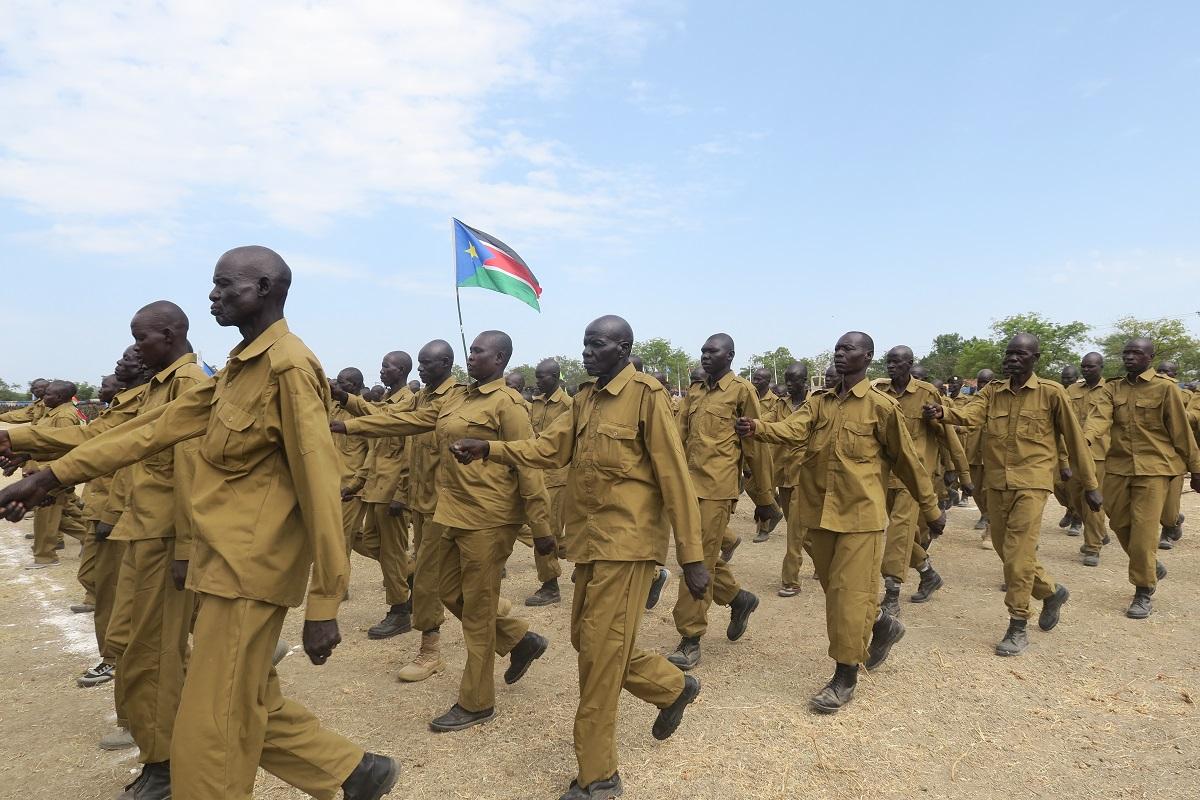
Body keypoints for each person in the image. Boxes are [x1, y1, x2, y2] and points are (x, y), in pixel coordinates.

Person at [0, 246, 398, 800]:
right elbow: (149, 431)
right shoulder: (238, 369)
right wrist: (48, 476)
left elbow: (319, 486)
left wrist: (325, 602)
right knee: (242, 698)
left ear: (264, 288)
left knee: (211, 730)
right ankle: (355, 772)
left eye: (224, 285)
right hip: (221, 567)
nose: (213, 295)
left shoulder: (288, 366)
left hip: (250, 575)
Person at [450, 315, 709, 800]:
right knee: (587, 642)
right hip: (589, 544)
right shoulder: (586, 397)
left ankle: (599, 776)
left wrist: (691, 557)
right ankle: (670, 687)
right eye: (585, 344)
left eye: (597, 344)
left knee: (600, 658)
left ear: (623, 348)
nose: (587, 352)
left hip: (628, 546)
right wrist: (489, 448)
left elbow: (675, 476)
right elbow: (549, 449)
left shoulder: (647, 396)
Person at [332, 330, 553, 733]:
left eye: (479, 352)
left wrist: (541, 528)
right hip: (451, 512)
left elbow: (528, 462)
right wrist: (349, 427)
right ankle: (519, 639)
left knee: (479, 612)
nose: (472, 356)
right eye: (471, 351)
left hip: (489, 518)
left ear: (500, 359)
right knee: (445, 590)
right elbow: (409, 420)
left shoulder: (509, 404)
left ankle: (476, 701)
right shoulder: (459, 399)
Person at [736, 332, 945, 713]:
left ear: (867, 357)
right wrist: (758, 428)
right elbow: (794, 430)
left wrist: (931, 509)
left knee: (848, 598)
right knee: (837, 591)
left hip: (861, 517)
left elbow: (908, 462)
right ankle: (881, 623)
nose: (840, 353)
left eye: (849, 348)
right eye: (837, 348)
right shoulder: (820, 403)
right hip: (820, 514)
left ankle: (844, 674)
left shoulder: (881, 407)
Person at [925, 333, 1099, 657]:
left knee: (1018, 552)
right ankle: (1051, 591)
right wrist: (942, 412)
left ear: (1035, 358)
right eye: (1009, 354)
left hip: (1032, 484)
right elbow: (970, 416)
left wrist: (1090, 485)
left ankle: (1018, 623)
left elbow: (1075, 440)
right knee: (1006, 549)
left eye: (1021, 354)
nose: (1013, 359)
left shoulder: (1051, 393)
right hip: (997, 483)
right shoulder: (992, 392)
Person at [668, 333, 772, 671]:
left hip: (717, 489)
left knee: (696, 560)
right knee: (698, 556)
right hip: (688, 486)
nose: (705, 356)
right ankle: (739, 599)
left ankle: (690, 637)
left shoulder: (742, 391)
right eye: (703, 351)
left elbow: (755, 445)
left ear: (730, 355)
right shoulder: (696, 391)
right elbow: (678, 437)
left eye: (712, 351)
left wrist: (764, 498)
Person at [1084, 339, 1200, 618]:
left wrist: (1196, 468)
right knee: (1118, 522)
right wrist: (1084, 439)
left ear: (1150, 357)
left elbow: (1181, 431)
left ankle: (1143, 589)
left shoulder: (1165, 388)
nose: (1130, 357)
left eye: (1136, 353)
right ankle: (1148, 564)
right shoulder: (1113, 388)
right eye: (1126, 353)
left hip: (1155, 468)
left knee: (1144, 531)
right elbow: (1098, 418)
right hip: (1119, 467)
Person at [873, 346, 971, 615]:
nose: (891, 366)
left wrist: (961, 473)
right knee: (902, 533)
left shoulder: (927, 393)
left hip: (915, 478)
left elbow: (946, 434)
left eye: (897, 362)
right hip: (887, 475)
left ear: (909, 364)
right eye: (888, 361)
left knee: (898, 532)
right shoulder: (879, 392)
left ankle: (892, 592)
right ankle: (928, 573)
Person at [340, 352, 416, 639]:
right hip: (375, 490)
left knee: (392, 552)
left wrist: (401, 494)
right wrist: (356, 485)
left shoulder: (408, 403)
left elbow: (409, 454)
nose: (382, 370)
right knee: (373, 543)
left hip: (392, 492)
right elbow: (374, 452)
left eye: (387, 366)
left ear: (402, 370)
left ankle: (399, 611)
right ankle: (412, 571)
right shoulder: (385, 401)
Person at [523, 358, 572, 606]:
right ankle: (586, 559)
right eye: (536, 376)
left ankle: (550, 586)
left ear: (555, 377)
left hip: (556, 477)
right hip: (535, 473)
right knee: (548, 532)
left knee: (545, 530)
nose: (537, 381)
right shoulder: (535, 403)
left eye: (542, 376)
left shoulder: (568, 405)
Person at [1068, 354, 1111, 566]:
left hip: (1098, 455)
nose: (1086, 370)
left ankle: (1093, 546)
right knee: (1075, 501)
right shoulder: (1072, 390)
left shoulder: (1110, 390)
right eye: (1083, 366)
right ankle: (1099, 531)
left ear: (1101, 367)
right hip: (1073, 454)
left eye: (1091, 366)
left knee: (1092, 501)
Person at [328, 368, 370, 563]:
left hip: (350, 490)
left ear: (354, 385)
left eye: (341, 382)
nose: (336, 385)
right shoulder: (334, 409)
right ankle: (405, 567)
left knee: (340, 541)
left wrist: (356, 484)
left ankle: (337, 583)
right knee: (356, 537)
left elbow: (373, 455)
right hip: (331, 486)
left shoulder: (364, 413)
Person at [776, 361, 810, 597]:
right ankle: (828, 561)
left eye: (793, 380)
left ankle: (791, 580)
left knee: (795, 532)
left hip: (805, 476)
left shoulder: (815, 405)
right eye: (786, 379)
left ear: (804, 381)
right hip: (784, 475)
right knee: (800, 529)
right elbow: (765, 421)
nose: (788, 384)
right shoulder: (781, 404)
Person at [749, 366, 786, 543]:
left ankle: (763, 529)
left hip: (769, 451)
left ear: (767, 381)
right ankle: (775, 507)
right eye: (754, 378)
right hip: (752, 447)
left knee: (763, 488)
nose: (755, 381)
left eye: (759, 379)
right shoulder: (749, 396)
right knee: (750, 486)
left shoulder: (776, 402)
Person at [1156, 359, 1188, 548]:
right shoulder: (1148, 392)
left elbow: (1193, 419)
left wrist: (1178, 415)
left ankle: (1170, 524)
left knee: (1169, 505)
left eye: (1167, 372)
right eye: (1160, 371)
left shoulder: (1185, 395)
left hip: (1175, 456)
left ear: (1175, 376)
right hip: (1152, 455)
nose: (1162, 375)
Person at [964, 368, 995, 546]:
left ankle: (991, 528)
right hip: (974, 455)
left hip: (993, 457)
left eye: (986, 382)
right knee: (975, 491)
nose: (983, 386)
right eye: (980, 382)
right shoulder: (973, 403)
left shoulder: (1000, 402)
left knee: (990, 492)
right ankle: (986, 515)